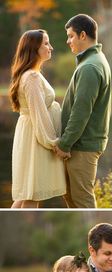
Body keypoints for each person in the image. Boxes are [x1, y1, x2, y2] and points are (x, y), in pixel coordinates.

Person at [54, 14, 112, 208]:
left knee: (82, 200)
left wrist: (65, 143)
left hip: (82, 146)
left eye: (71, 36)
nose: (68, 40)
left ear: (83, 35)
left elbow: (81, 111)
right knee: (71, 198)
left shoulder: (90, 67)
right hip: (80, 144)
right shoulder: (93, 61)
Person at [9, 29, 67, 209]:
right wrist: (55, 143)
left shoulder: (29, 74)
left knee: (26, 193)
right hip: (35, 139)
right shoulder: (32, 77)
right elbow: (39, 114)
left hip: (29, 134)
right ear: (34, 48)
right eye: (46, 44)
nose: (51, 47)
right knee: (32, 194)